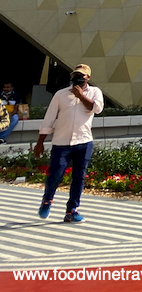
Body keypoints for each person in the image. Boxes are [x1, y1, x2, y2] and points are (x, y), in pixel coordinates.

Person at [33, 64, 104, 223]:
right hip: (61, 142)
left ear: (88, 78)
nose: (78, 78)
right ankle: (47, 200)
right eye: (76, 75)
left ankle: (72, 210)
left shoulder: (95, 92)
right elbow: (49, 118)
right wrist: (40, 143)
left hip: (84, 141)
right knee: (56, 174)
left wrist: (81, 96)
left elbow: (97, 109)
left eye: (82, 76)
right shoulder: (61, 94)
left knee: (79, 177)